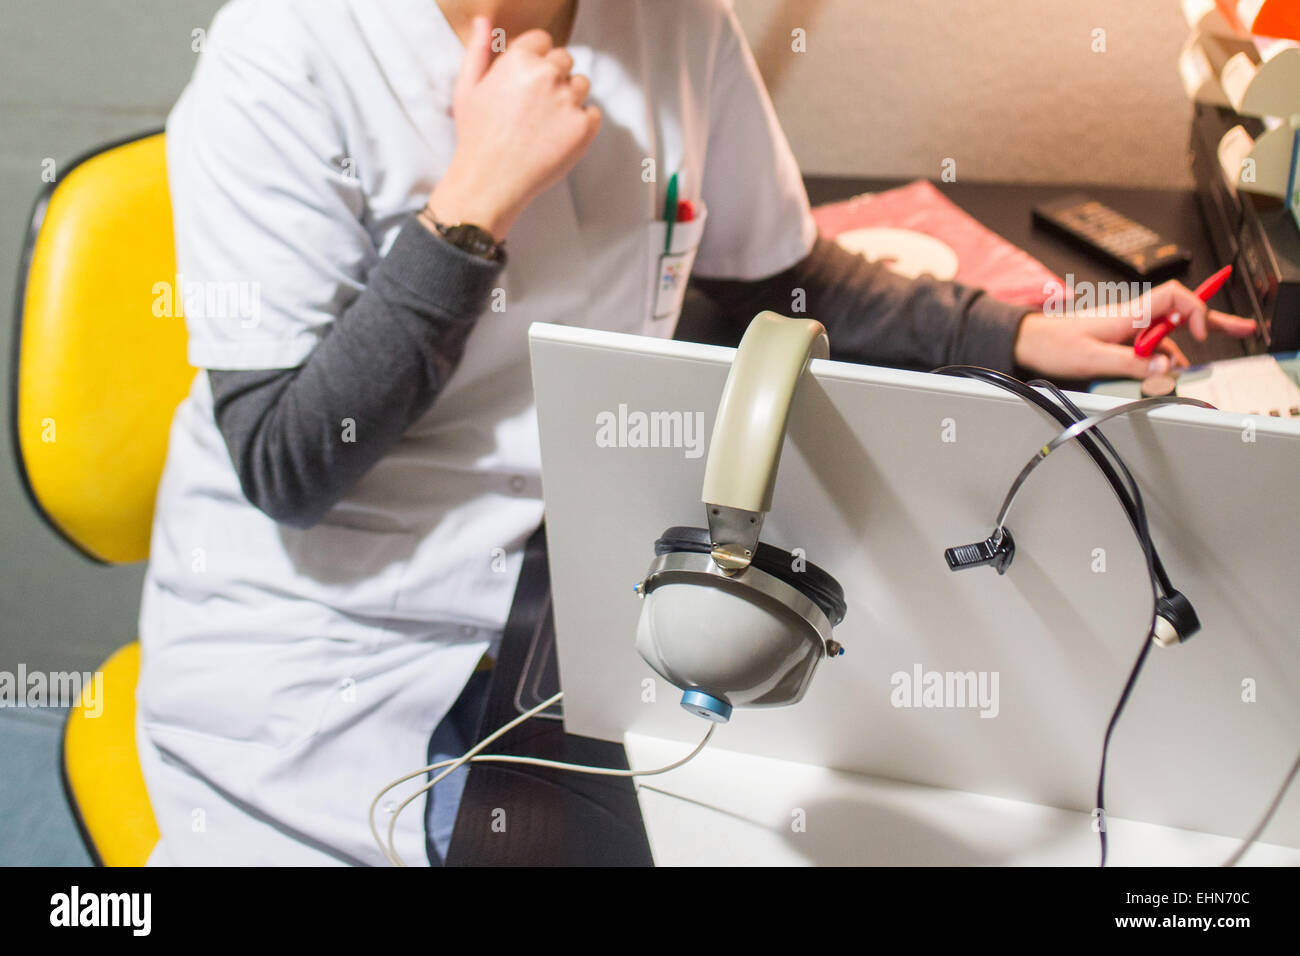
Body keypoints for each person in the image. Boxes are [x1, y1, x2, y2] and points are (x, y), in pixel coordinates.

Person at [137, 0, 1256, 866]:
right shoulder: (284, 52)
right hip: (341, 617)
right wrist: (471, 207)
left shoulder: (673, 21)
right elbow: (285, 458)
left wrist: (1019, 334)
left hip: (579, 558)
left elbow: (789, 272)